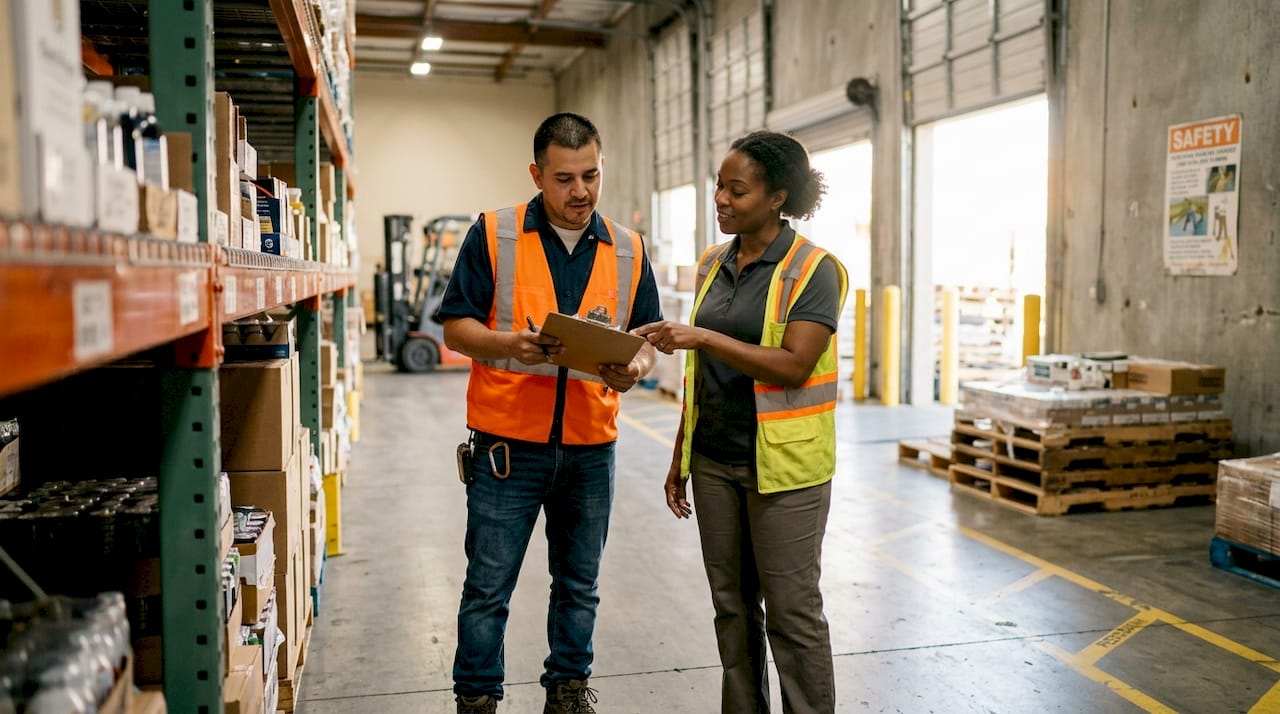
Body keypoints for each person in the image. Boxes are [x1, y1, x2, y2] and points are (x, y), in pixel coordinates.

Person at [436, 112, 662, 714]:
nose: (580, 191)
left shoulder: (630, 248)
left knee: (579, 587)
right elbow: (455, 328)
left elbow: (646, 342)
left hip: (591, 447)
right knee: (488, 587)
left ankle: (566, 692)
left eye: (590, 175)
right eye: (564, 179)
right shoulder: (494, 233)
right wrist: (510, 343)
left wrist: (634, 369)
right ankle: (478, 699)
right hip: (507, 449)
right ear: (537, 174)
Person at [637, 130, 848, 714]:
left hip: (785, 471)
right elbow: (702, 374)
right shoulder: (714, 261)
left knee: (791, 611)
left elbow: (795, 364)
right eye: (718, 188)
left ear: (777, 197)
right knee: (731, 606)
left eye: (737, 190)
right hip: (714, 460)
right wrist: (682, 456)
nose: (721, 200)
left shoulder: (814, 270)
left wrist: (704, 334)